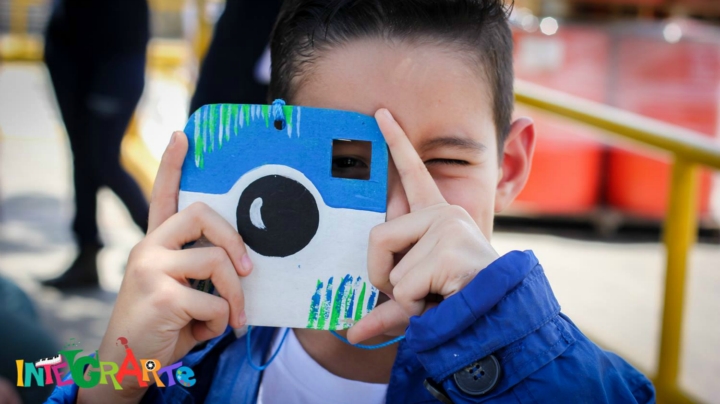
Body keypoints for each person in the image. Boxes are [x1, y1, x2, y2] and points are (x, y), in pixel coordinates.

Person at [49, 0, 655, 402]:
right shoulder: (196, 354)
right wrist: (115, 382)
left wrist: (512, 347)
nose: (395, 215)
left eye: (444, 163)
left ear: (511, 165)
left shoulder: (561, 374)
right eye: (348, 164)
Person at [42, 0, 150, 289]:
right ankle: (86, 253)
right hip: (68, 46)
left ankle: (163, 238)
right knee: (82, 153)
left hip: (119, 49)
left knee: (103, 158)